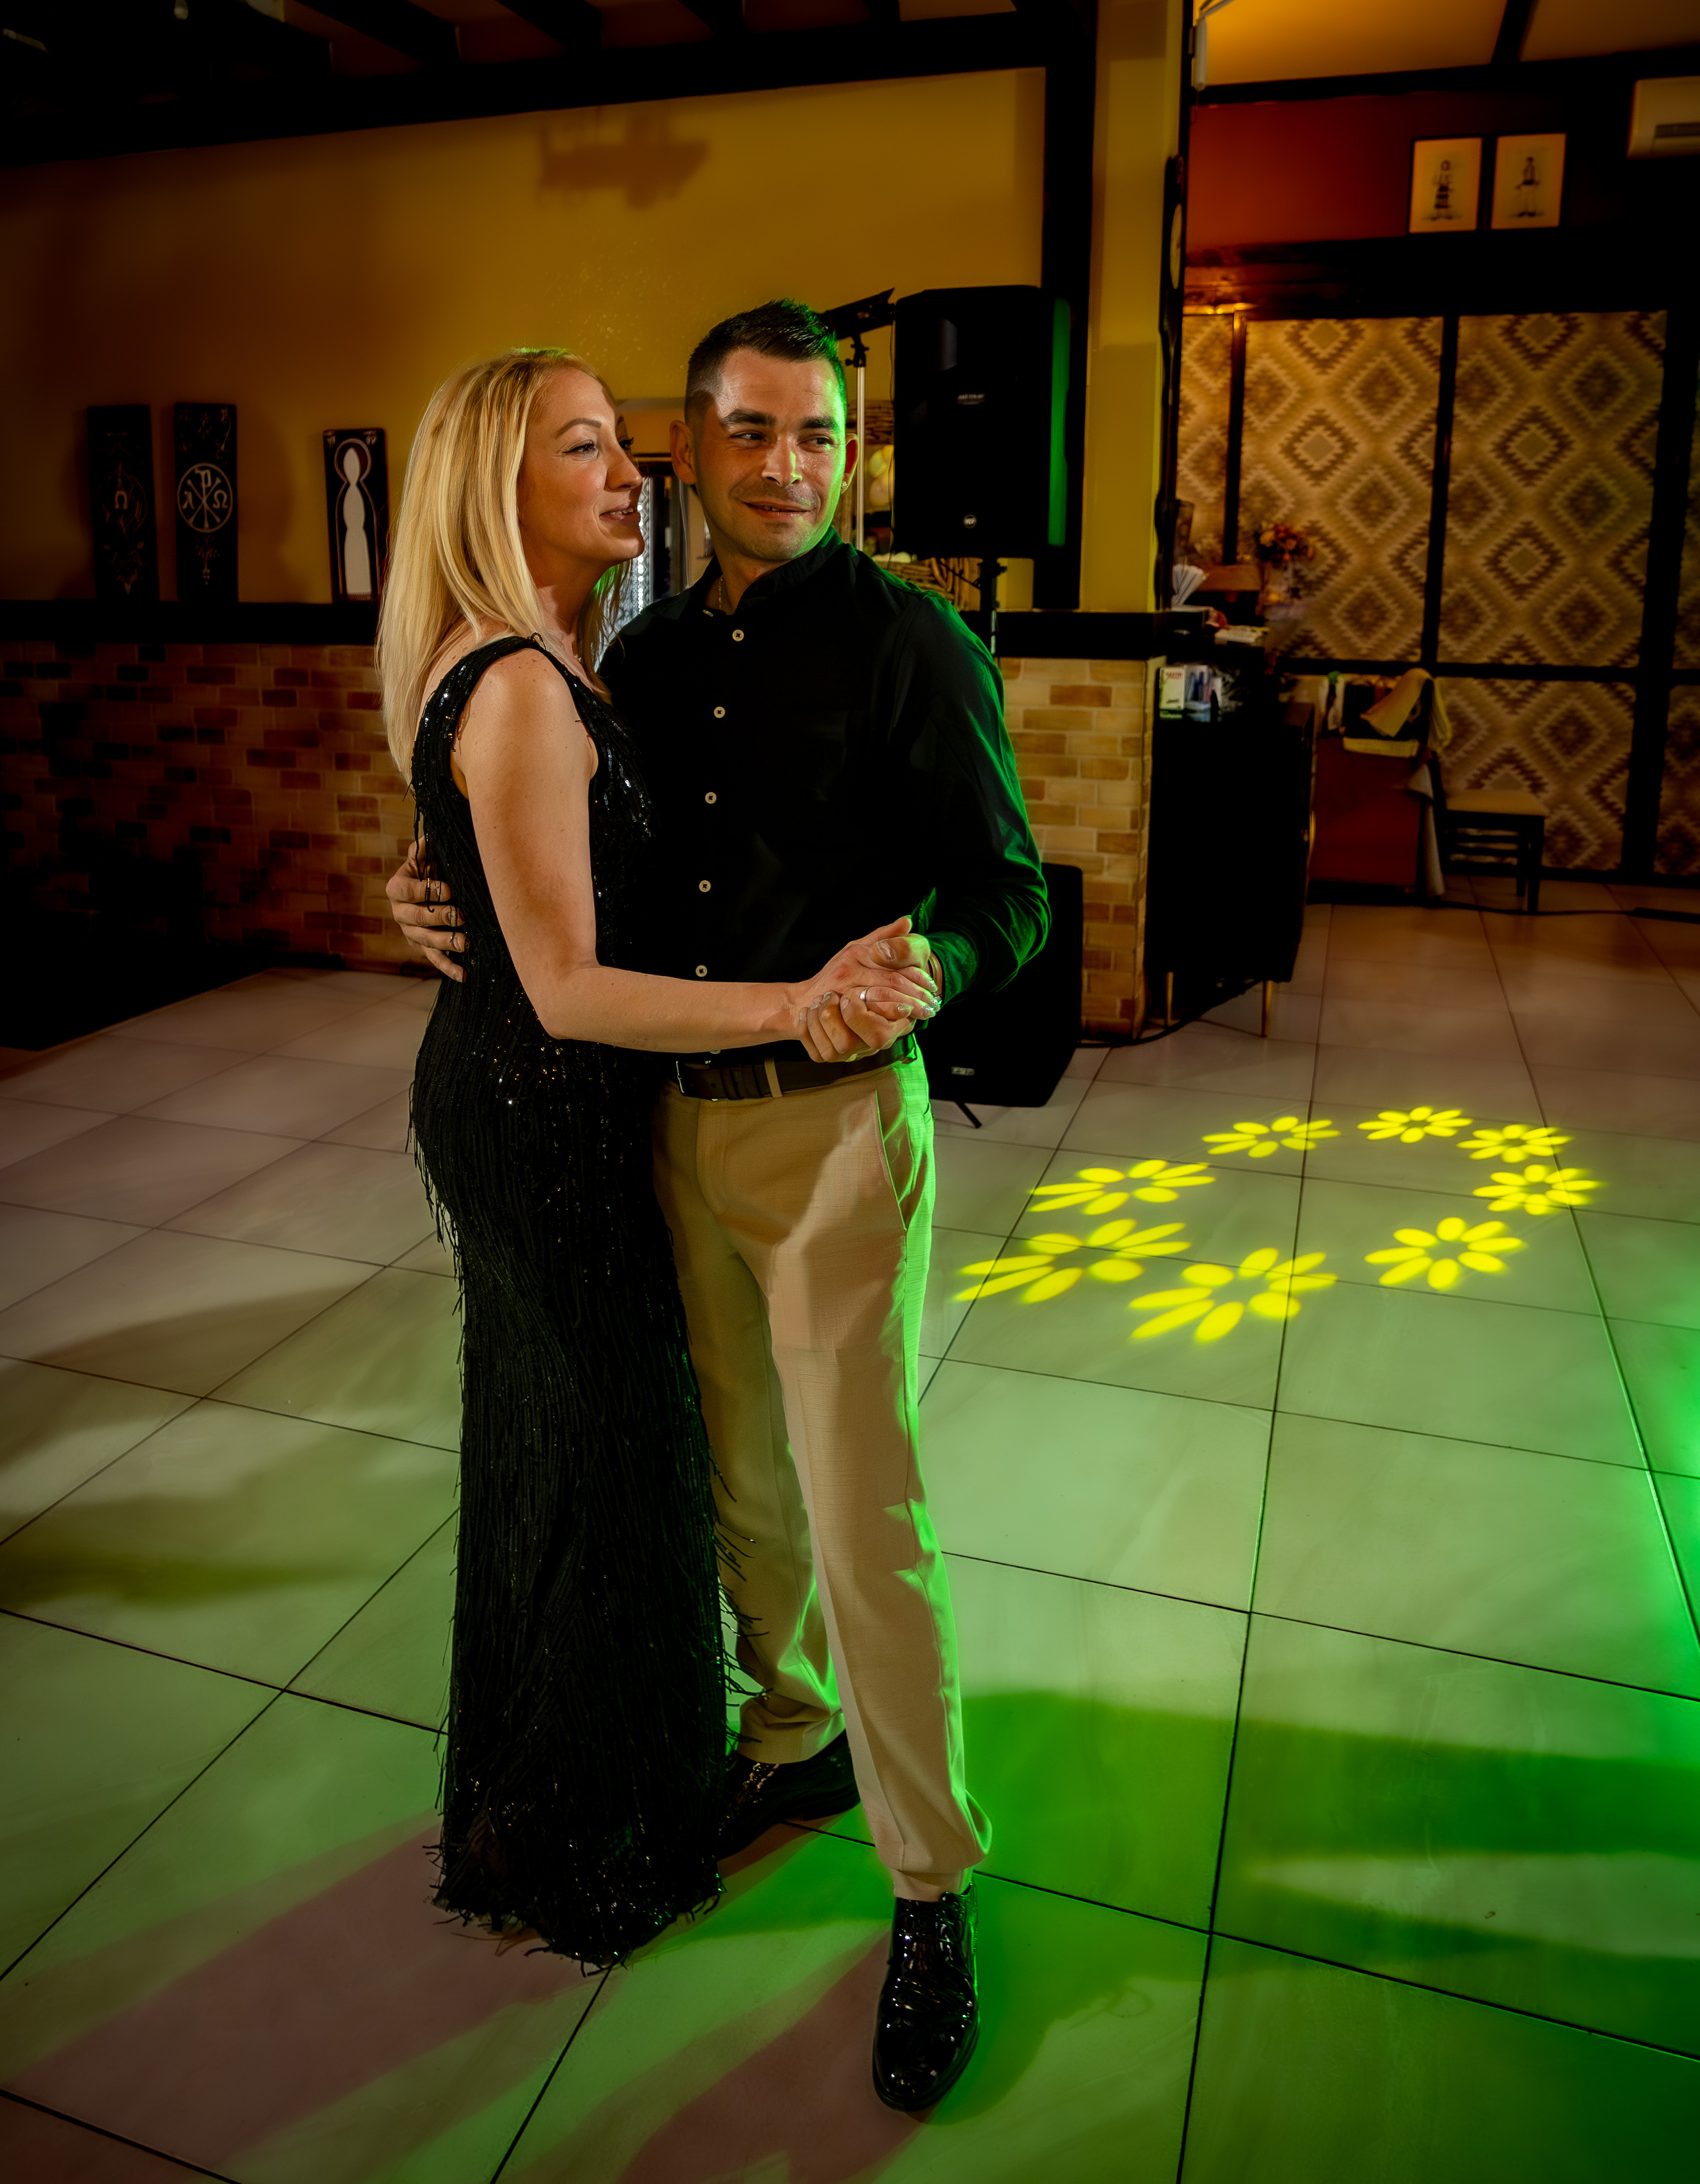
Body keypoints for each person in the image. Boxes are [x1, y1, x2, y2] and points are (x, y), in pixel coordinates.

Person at [390, 301, 1049, 2109]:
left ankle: (929, 1880)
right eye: (752, 431)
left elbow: (1007, 886)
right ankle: (793, 1728)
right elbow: (555, 859)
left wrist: (930, 965)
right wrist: (422, 886)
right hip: (668, 1131)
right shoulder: (642, 650)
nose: (788, 465)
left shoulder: (913, 642)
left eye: (819, 433)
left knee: (863, 1513)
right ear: (698, 444)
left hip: (836, 1136)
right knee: (744, 1487)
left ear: (852, 450)